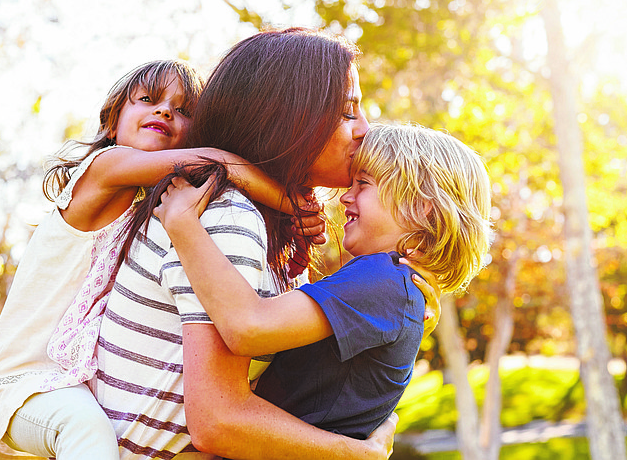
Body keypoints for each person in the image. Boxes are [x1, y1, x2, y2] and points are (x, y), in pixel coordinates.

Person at [93, 28, 427, 459]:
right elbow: (219, 422)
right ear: (290, 117)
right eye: (348, 113)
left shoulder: (258, 223)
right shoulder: (226, 218)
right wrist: (355, 453)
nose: (365, 130)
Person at [0, 59, 314, 460]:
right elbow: (215, 163)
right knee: (85, 430)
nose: (165, 111)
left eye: (183, 109)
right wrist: (293, 205)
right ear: (112, 123)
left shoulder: (151, 206)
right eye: (148, 100)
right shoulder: (103, 168)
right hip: (26, 383)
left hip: (73, 382)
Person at [155, 122, 492, 441]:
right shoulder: (395, 286)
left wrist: (183, 224)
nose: (346, 196)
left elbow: (249, 326)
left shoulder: (383, 279)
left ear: (421, 209)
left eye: (364, 183)